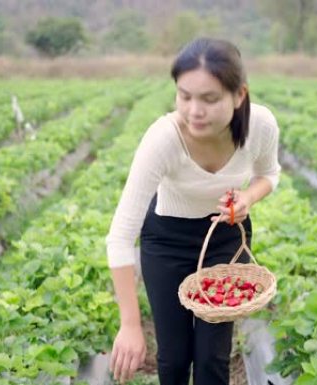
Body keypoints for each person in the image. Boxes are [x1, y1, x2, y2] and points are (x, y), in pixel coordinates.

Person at [105, 37, 281, 385]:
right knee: (173, 357)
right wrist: (129, 324)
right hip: (166, 242)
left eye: (209, 99)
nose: (194, 111)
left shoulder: (260, 125)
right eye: (184, 96)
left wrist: (248, 197)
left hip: (223, 239)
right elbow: (120, 237)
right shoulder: (163, 139)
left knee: (213, 358)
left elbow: (269, 174)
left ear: (239, 95)